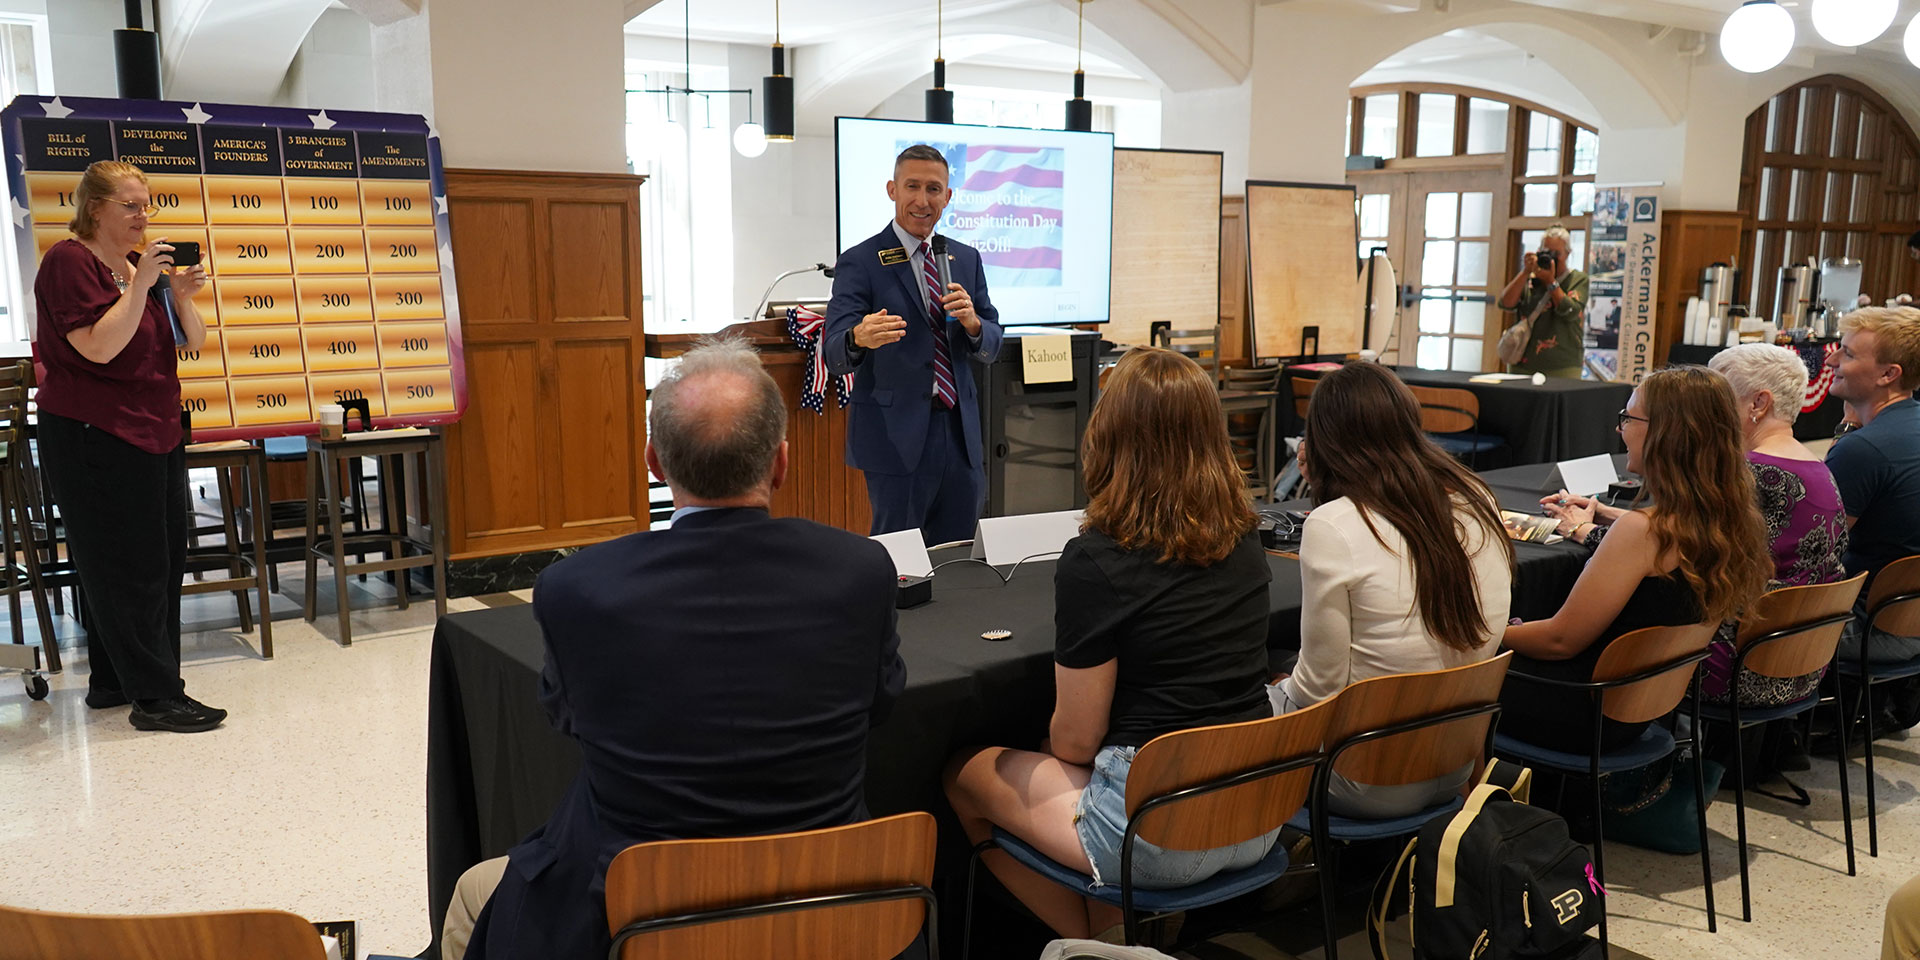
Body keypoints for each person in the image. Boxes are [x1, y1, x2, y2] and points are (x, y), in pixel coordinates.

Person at [448, 337, 906, 960]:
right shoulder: (862, 568)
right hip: (833, 908)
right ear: (781, 463)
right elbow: (883, 703)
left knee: (474, 892)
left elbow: (565, 717)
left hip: (642, 915)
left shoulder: (576, 588)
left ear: (652, 462)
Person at [944, 348, 1274, 940]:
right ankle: (1116, 939)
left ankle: (1100, 948)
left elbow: (1075, 741)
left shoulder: (1097, 561)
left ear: (1109, 435)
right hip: (1258, 814)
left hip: (1159, 834)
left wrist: (1050, 748)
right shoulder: (1247, 537)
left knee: (966, 775)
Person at [1272, 362, 1513, 817]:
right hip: (1453, 763)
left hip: (1362, 777)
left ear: (1323, 440)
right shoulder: (1476, 496)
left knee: (1260, 686)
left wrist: (1282, 689)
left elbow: (1318, 689)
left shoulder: (1333, 526)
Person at [33, 160, 219, 733]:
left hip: (153, 427)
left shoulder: (139, 267)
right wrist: (140, 287)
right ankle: (158, 697)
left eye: (147, 205)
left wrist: (178, 294)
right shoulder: (69, 261)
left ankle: (114, 682)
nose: (144, 217)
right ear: (96, 209)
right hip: (97, 434)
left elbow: (192, 341)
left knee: (158, 560)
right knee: (129, 566)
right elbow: (97, 348)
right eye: (131, 206)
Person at [1506, 367, 1770, 752]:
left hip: (1581, 709)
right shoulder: (1729, 519)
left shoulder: (1643, 533)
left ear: (1667, 433)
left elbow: (1559, 641)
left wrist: (1488, 634)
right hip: (1638, 709)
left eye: (1628, 418)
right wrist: (1609, 516)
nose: (1620, 429)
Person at [824, 143, 1004, 545]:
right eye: (913, 187)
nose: (923, 200)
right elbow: (833, 352)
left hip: (960, 437)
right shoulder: (861, 261)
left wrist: (973, 323)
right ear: (893, 190)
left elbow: (993, 339)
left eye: (934, 189)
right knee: (901, 563)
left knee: (959, 560)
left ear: (948, 196)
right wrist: (859, 337)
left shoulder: (965, 258)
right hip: (895, 440)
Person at [1822, 306, 1920, 667]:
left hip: (1871, 628)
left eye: (1847, 353)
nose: (1831, 360)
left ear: (1888, 374)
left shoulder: (1864, 450)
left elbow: (1811, 550)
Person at [1496, 224, 1589, 379]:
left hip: (1562, 365)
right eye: (1545, 252)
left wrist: (1551, 282)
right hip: (1523, 363)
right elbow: (1506, 303)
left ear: (1567, 254)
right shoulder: (1530, 279)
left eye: (1556, 253)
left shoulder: (1577, 279)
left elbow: (1571, 311)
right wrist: (1526, 271)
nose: (1550, 257)